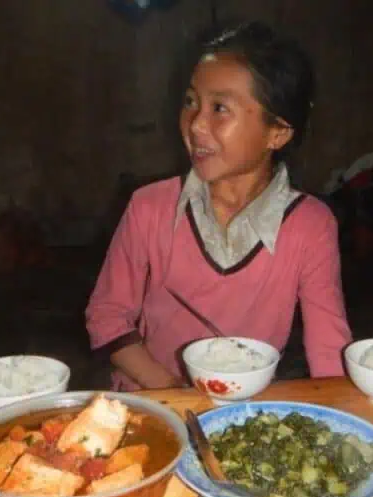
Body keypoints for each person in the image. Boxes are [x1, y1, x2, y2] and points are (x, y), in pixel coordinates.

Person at [86, 21, 352, 391]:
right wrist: (173, 392)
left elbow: (329, 349)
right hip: (149, 405)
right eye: (191, 101)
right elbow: (107, 316)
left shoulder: (310, 225)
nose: (195, 124)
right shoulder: (150, 207)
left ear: (277, 132)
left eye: (220, 108)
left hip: (243, 416)